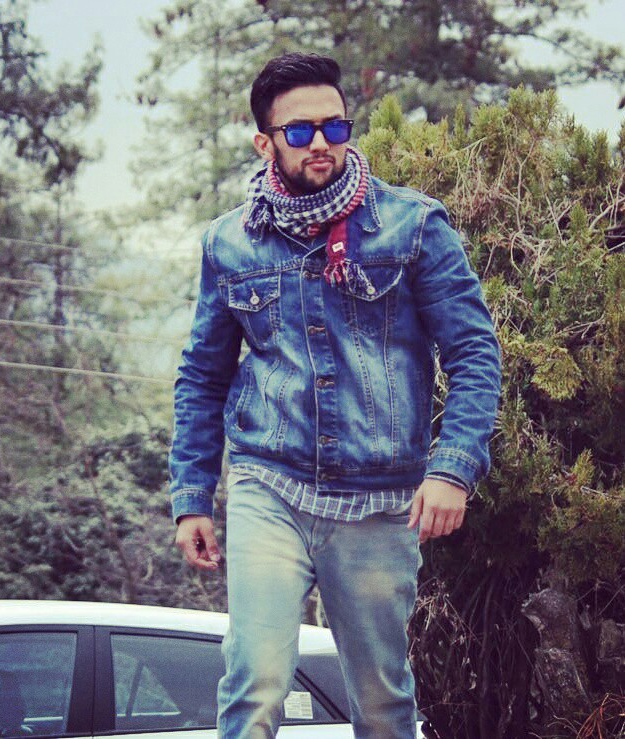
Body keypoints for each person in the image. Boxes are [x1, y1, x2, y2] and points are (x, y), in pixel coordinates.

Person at [169, 52, 501, 739]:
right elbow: (202, 375)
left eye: (334, 125)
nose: (320, 142)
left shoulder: (412, 226)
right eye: (299, 131)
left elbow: (473, 350)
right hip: (270, 485)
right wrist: (191, 495)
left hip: (380, 501)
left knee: (381, 704)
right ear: (264, 143)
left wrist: (452, 468)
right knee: (255, 683)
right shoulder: (229, 243)